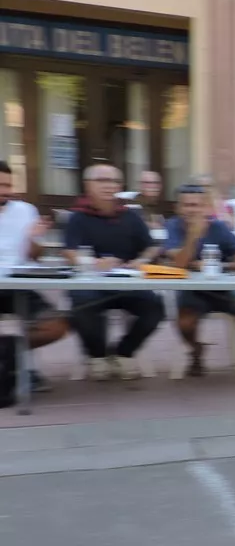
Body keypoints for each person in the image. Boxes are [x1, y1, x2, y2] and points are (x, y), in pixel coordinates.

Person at [63, 164, 165, 381]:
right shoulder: (78, 217)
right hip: (91, 282)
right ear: (87, 185)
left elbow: (152, 246)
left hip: (126, 282)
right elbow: (69, 252)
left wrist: (141, 260)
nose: (109, 186)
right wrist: (93, 262)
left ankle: (123, 352)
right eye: (102, 180)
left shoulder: (130, 215)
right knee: (82, 304)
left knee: (156, 306)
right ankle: (97, 355)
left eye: (115, 182)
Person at [162, 184, 235, 377]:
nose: (191, 210)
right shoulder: (173, 226)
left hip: (226, 288)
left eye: (196, 205)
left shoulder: (219, 227)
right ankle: (196, 350)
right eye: (186, 205)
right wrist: (193, 237)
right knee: (184, 323)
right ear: (178, 207)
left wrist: (221, 266)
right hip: (193, 290)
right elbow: (178, 264)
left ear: (205, 207)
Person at [0, 161, 71, 388]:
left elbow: (34, 256)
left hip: (18, 284)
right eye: (1, 185)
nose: (6, 191)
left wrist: (35, 238)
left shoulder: (25, 210)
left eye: (8, 185)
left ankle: (10, 356)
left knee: (57, 326)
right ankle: (19, 368)